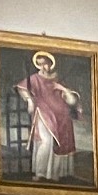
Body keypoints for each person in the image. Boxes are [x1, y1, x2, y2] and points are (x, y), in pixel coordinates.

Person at [15, 51, 82, 181]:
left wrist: (65, 90)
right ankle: (40, 173)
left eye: (45, 64)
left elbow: (71, 100)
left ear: (50, 64)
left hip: (62, 116)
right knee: (46, 142)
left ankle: (54, 173)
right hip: (44, 112)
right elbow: (21, 88)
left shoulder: (57, 79)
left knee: (61, 143)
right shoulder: (34, 78)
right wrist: (29, 100)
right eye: (40, 64)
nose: (43, 67)